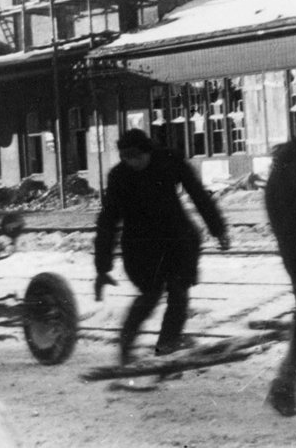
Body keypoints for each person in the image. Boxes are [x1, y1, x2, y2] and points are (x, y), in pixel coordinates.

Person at [94, 129, 230, 364]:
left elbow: (199, 196)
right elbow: (108, 221)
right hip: (140, 246)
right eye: (125, 157)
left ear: (148, 151)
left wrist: (218, 230)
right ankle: (126, 347)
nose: (131, 162)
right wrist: (102, 267)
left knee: (179, 294)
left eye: (136, 155)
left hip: (176, 239)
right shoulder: (119, 176)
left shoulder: (169, 161)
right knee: (150, 294)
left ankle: (166, 348)